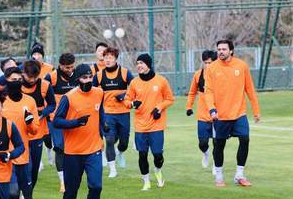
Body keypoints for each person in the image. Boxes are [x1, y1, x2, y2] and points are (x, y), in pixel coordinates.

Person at [53, 64, 105, 199]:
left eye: (90, 77)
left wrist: (103, 126)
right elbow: (56, 121)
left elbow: (100, 112)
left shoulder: (99, 93)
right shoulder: (68, 98)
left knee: (96, 186)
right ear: (77, 79)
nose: (88, 80)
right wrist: (75, 123)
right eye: (84, 78)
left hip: (94, 149)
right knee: (71, 190)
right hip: (73, 152)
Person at [204, 39, 261, 187]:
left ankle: (239, 174)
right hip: (220, 116)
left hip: (239, 113)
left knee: (245, 139)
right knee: (219, 145)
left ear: (231, 51)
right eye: (219, 49)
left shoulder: (241, 66)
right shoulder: (212, 68)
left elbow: (250, 89)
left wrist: (256, 110)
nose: (221, 52)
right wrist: (212, 109)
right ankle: (219, 175)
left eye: (224, 49)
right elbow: (208, 91)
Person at [124, 54, 174, 191]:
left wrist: (159, 107)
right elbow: (127, 101)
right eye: (137, 63)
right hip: (140, 126)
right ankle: (146, 182)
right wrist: (132, 104)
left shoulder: (161, 81)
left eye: (142, 63)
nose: (139, 65)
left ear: (148, 64)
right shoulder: (134, 83)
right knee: (142, 154)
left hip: (157, 126)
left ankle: (158, 170)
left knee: (157, 155)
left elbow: (170, 99)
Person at [0, 66, 38, 199]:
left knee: (16, 197)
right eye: (13, 80)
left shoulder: (29, 101)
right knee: (13, 194)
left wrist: (29, 122)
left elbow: (34, 130)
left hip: (22, 154)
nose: (16, 83)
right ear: (6, 81)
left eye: (18, 80)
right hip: (2, 157)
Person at [21, 60, 55, 199]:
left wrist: (42, 114)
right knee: (25, 169)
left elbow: (52, 105)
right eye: (29, 77)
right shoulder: (17, 85)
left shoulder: (45, 85)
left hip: (38, 132)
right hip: (20, 134)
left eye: (35, 77)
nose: (32, 80)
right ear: (23, 74)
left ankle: (26, 197)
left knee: (34, 170)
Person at [93, 47, 134, 178]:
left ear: (116, 59)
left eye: (110, 57)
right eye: (106, 57)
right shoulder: (99, 75)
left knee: (124, 143)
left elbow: (136, 88)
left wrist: (124, 95)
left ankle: (120, 152)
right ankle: (112, 169)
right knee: (109, 140)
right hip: (107, 114)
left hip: (123, 113)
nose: (108, 60)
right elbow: (91, 92)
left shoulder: (125, 73)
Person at [45, 53, 78, 193]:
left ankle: (73, 175)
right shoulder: (51, 77)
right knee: (59, 148)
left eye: (71, 67)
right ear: (60, 66)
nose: (69, 70)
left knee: (74, 149)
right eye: (66, 67)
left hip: (73, 119)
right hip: (56, 120)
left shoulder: (78, 76)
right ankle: (62, 182)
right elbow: (43, 94)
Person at [185, 50, 218, 169]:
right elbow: (192, 92)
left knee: (217, 143)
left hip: (217, 116)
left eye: (210, 63)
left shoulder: (219, 76)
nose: (208, 65)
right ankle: (206, 153)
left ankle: (216, 164)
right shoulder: (198, 75)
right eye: (206, 63)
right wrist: (189, 107)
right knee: (202, 143)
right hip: (203, 116)